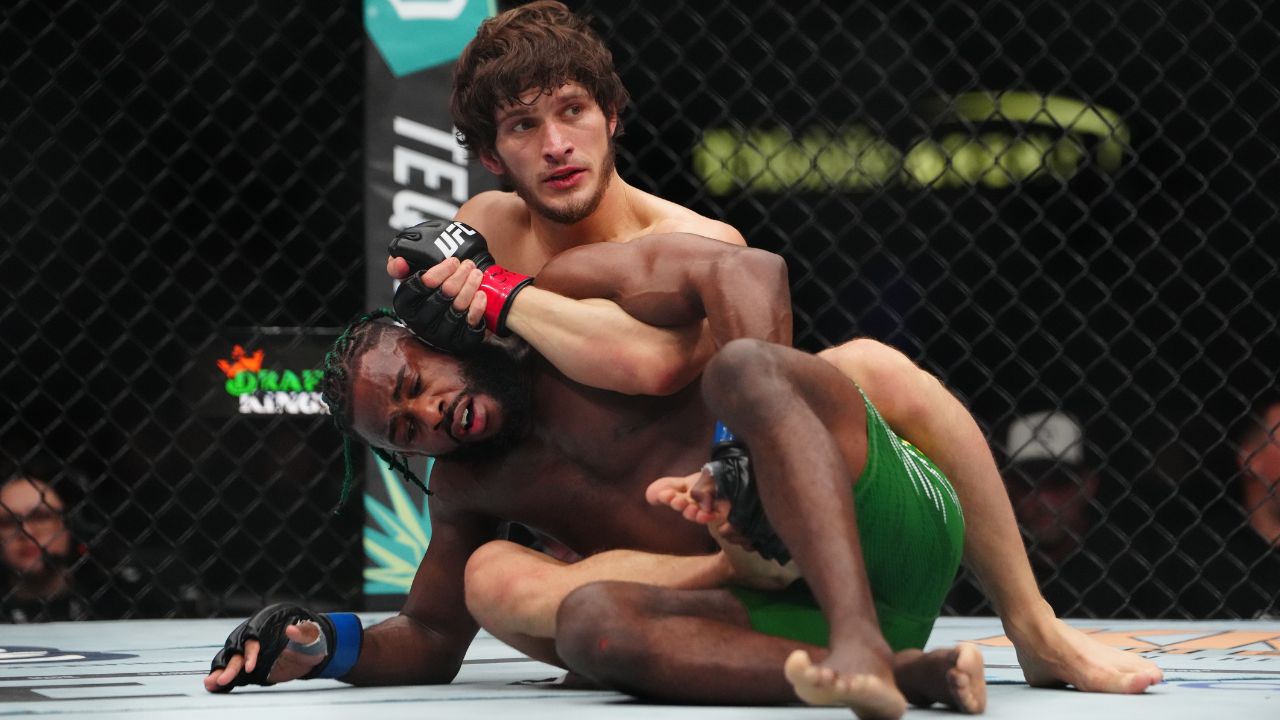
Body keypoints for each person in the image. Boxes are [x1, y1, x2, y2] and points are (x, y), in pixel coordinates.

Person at [211, 0, 1162, 697]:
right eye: (523, 126)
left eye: (572, 111)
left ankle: (1035, 626)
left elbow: (657, 366)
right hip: (712, 593)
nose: (554, 145)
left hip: (814, 518)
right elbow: (428, 632)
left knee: (864, 364)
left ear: (613, 116)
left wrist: (505, 297)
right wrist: (322, 641)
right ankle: (874, 671)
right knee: (497, 580)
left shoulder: (685, 242)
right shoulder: (486, 244)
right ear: (492, 154)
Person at [210, 233, 985, 716]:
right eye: (409, 429)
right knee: (587, 625)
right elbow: (435, 635)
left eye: (420, 384)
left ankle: (858, 641)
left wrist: (741, 459)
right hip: (775, 616)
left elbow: (750, 270)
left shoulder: (564, 294)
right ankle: (897, 675)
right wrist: (324, 646)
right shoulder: (471, 487)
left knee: (748, 369)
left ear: (443, 336)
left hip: (883, 528)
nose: (434, 414)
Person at [0, 471, 157, 622]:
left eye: (41, 517)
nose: (26, 531)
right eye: (7, 521)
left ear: (69, 524)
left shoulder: (120, 597)